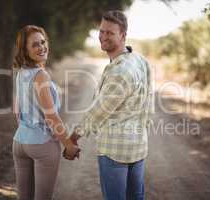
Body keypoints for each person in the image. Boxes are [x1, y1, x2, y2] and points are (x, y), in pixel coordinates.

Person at [64, 10, 152, 200]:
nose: (103, 36)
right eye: (102, 31)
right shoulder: (139, 60)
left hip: (115, 151)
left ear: (123, 35)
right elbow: (148, 103)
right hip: (138, 147)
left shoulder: (120, 71)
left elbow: (98, 112)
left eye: (110, 33)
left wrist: (72, 138)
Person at [12, 25, 80, 200]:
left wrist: (27, 130)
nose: (42, 47)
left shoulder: (21, 73)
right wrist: (69, 145)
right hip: (42, 144)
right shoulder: (40, 75)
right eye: (35, 44)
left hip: (19, 143)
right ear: (25, 50)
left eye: (43, 42)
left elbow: (17, 111)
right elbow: (51, 117)